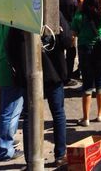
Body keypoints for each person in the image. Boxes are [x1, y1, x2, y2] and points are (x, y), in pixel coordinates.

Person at [72, 0, 101, 126]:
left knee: (87, 83)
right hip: (100, 50)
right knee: (100, 80)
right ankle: (100, 113)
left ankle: (85, 118)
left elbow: (74, 32)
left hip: (85, 50)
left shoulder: (79, 15)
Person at [0, 23, 25, 162]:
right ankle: (5, 150)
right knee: (10, 112)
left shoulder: (0, 21)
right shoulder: (13, 23)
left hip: (1, 64)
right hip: (10, 69)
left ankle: (5, 144)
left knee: (7, 110)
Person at [39, 17, 68, 165]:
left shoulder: (22, 11)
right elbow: (68, 41)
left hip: (31, 74)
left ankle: (33, 160)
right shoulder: (54, 12)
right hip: (53, 73)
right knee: (58, 114)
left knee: (30, 116)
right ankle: (60, 155)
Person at [58, 0, 78, 83]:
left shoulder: (57, 1)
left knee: (59, 53)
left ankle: (59, 75)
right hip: (71, 32)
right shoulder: (74, 2)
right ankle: (67, 77)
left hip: (58, 31)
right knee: (71, 54)